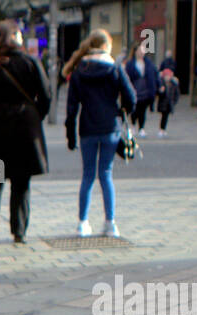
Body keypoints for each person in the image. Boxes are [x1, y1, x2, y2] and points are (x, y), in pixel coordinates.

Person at [0, 20, 50, 243]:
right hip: (24, 132)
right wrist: (35, 117)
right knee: (21, 181)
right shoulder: (30, 62)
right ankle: (19, 230)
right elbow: (45, 95)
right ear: (15, 37)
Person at [64, 29, 135, 238]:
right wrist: (122, 112)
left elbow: (71, 108)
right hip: (110, 127)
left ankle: (83, 223)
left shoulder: (78, 72)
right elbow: (131, 97)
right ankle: (110, 223)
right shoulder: (115, 69)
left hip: (87, 128)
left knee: (87, 175)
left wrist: (70, 135)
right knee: (106, 174)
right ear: (106, 46)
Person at [123, 43, 158, 135]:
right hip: (134, 90)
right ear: (135, 52)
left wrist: (158, 86)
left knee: (143, 110)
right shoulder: (130, 64)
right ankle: (133, 125)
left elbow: (155, 75)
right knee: (135, 109)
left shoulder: (149, 63)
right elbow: (126, 77)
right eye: (139, 50)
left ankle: (141, 128)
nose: (141, 52)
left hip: (145, 90)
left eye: (142, 50)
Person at [155, 66, 179, 137]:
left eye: (169, 76)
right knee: (163, 116)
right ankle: (161, 129)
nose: (168, 78)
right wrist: (160, 91)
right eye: (166, 76)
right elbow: (157, 93)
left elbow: (176, 94)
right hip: (163, 103)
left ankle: (163, 129)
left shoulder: (173, 84)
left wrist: (174, 101)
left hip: (169, 104)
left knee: (165, 117)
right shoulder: (161, 84)